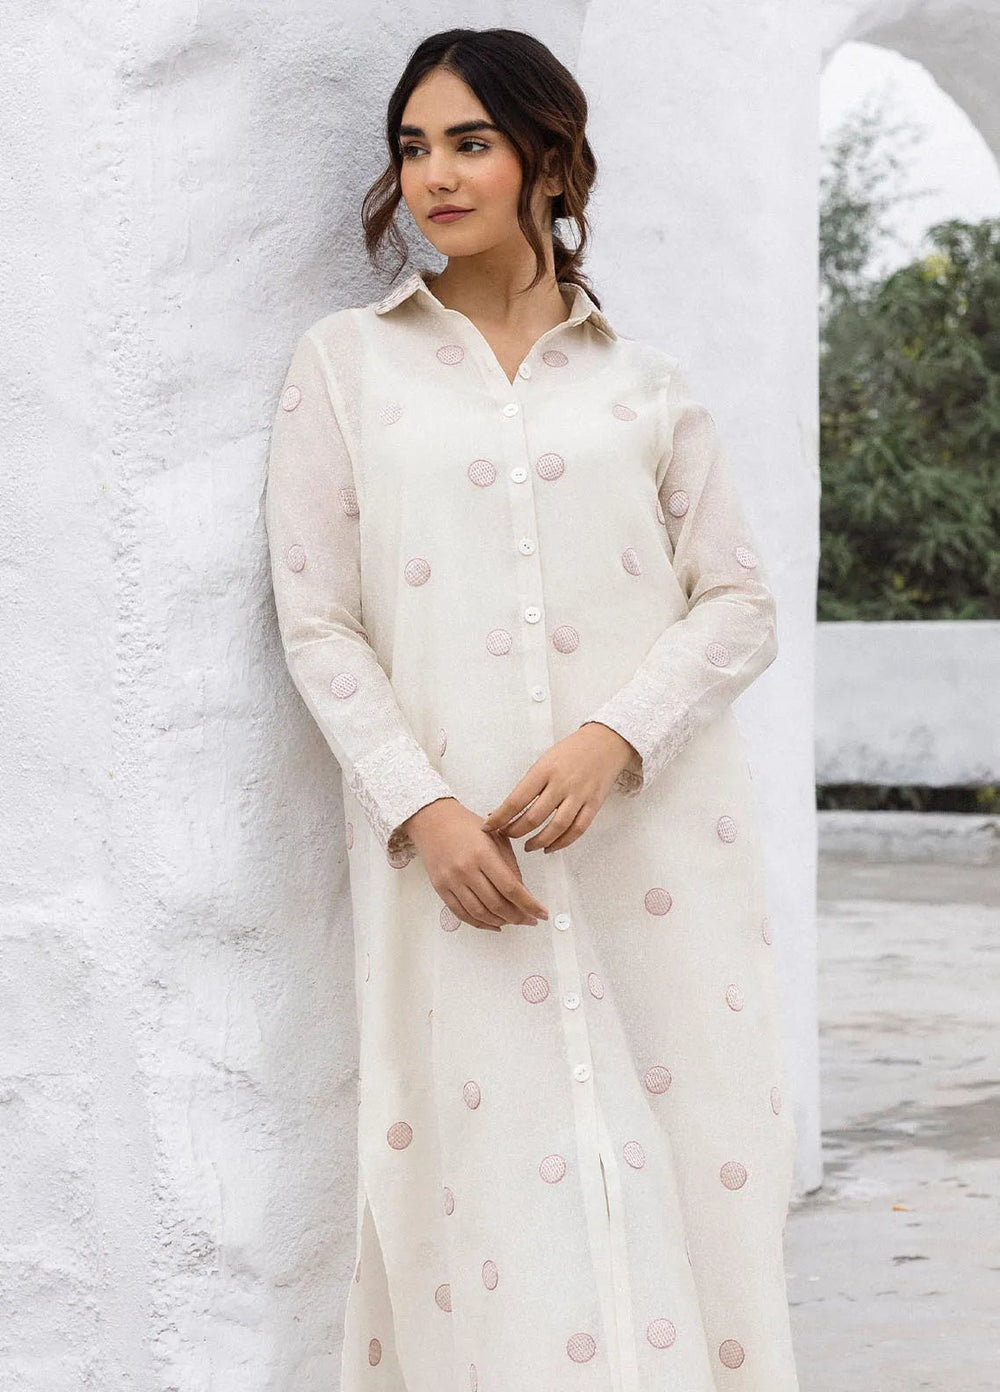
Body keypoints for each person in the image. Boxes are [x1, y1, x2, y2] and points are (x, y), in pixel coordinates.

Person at [264, 25, 800, 1392]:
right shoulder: (347, 364)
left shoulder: (643, 384)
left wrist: (617, 737)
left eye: (471, 142)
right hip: (459, 869)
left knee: (690, 1157)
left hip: (648, 854)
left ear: (550, 161)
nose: (435, 176)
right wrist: (424, 810)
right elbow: (317, 617)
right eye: (413, 147)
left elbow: (739, 602)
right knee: (486, 1190)